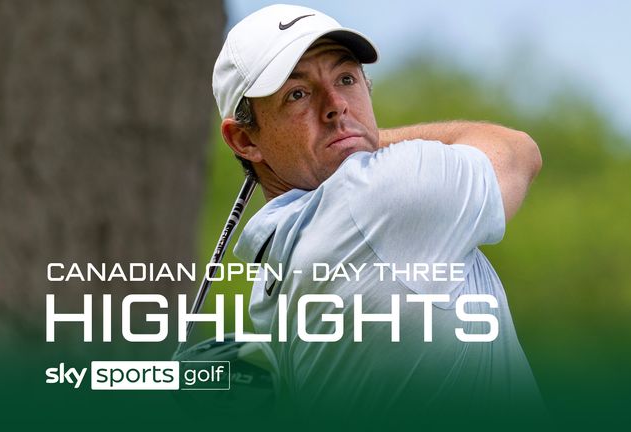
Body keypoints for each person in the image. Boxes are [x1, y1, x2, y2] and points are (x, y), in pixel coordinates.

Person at [212, 4, 544, 419]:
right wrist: (365, 140)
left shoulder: (271, 283)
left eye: (346, 79)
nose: (336, 105)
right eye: (297, 94)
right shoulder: (381, 195)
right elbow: (517, 152)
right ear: (244, 140)